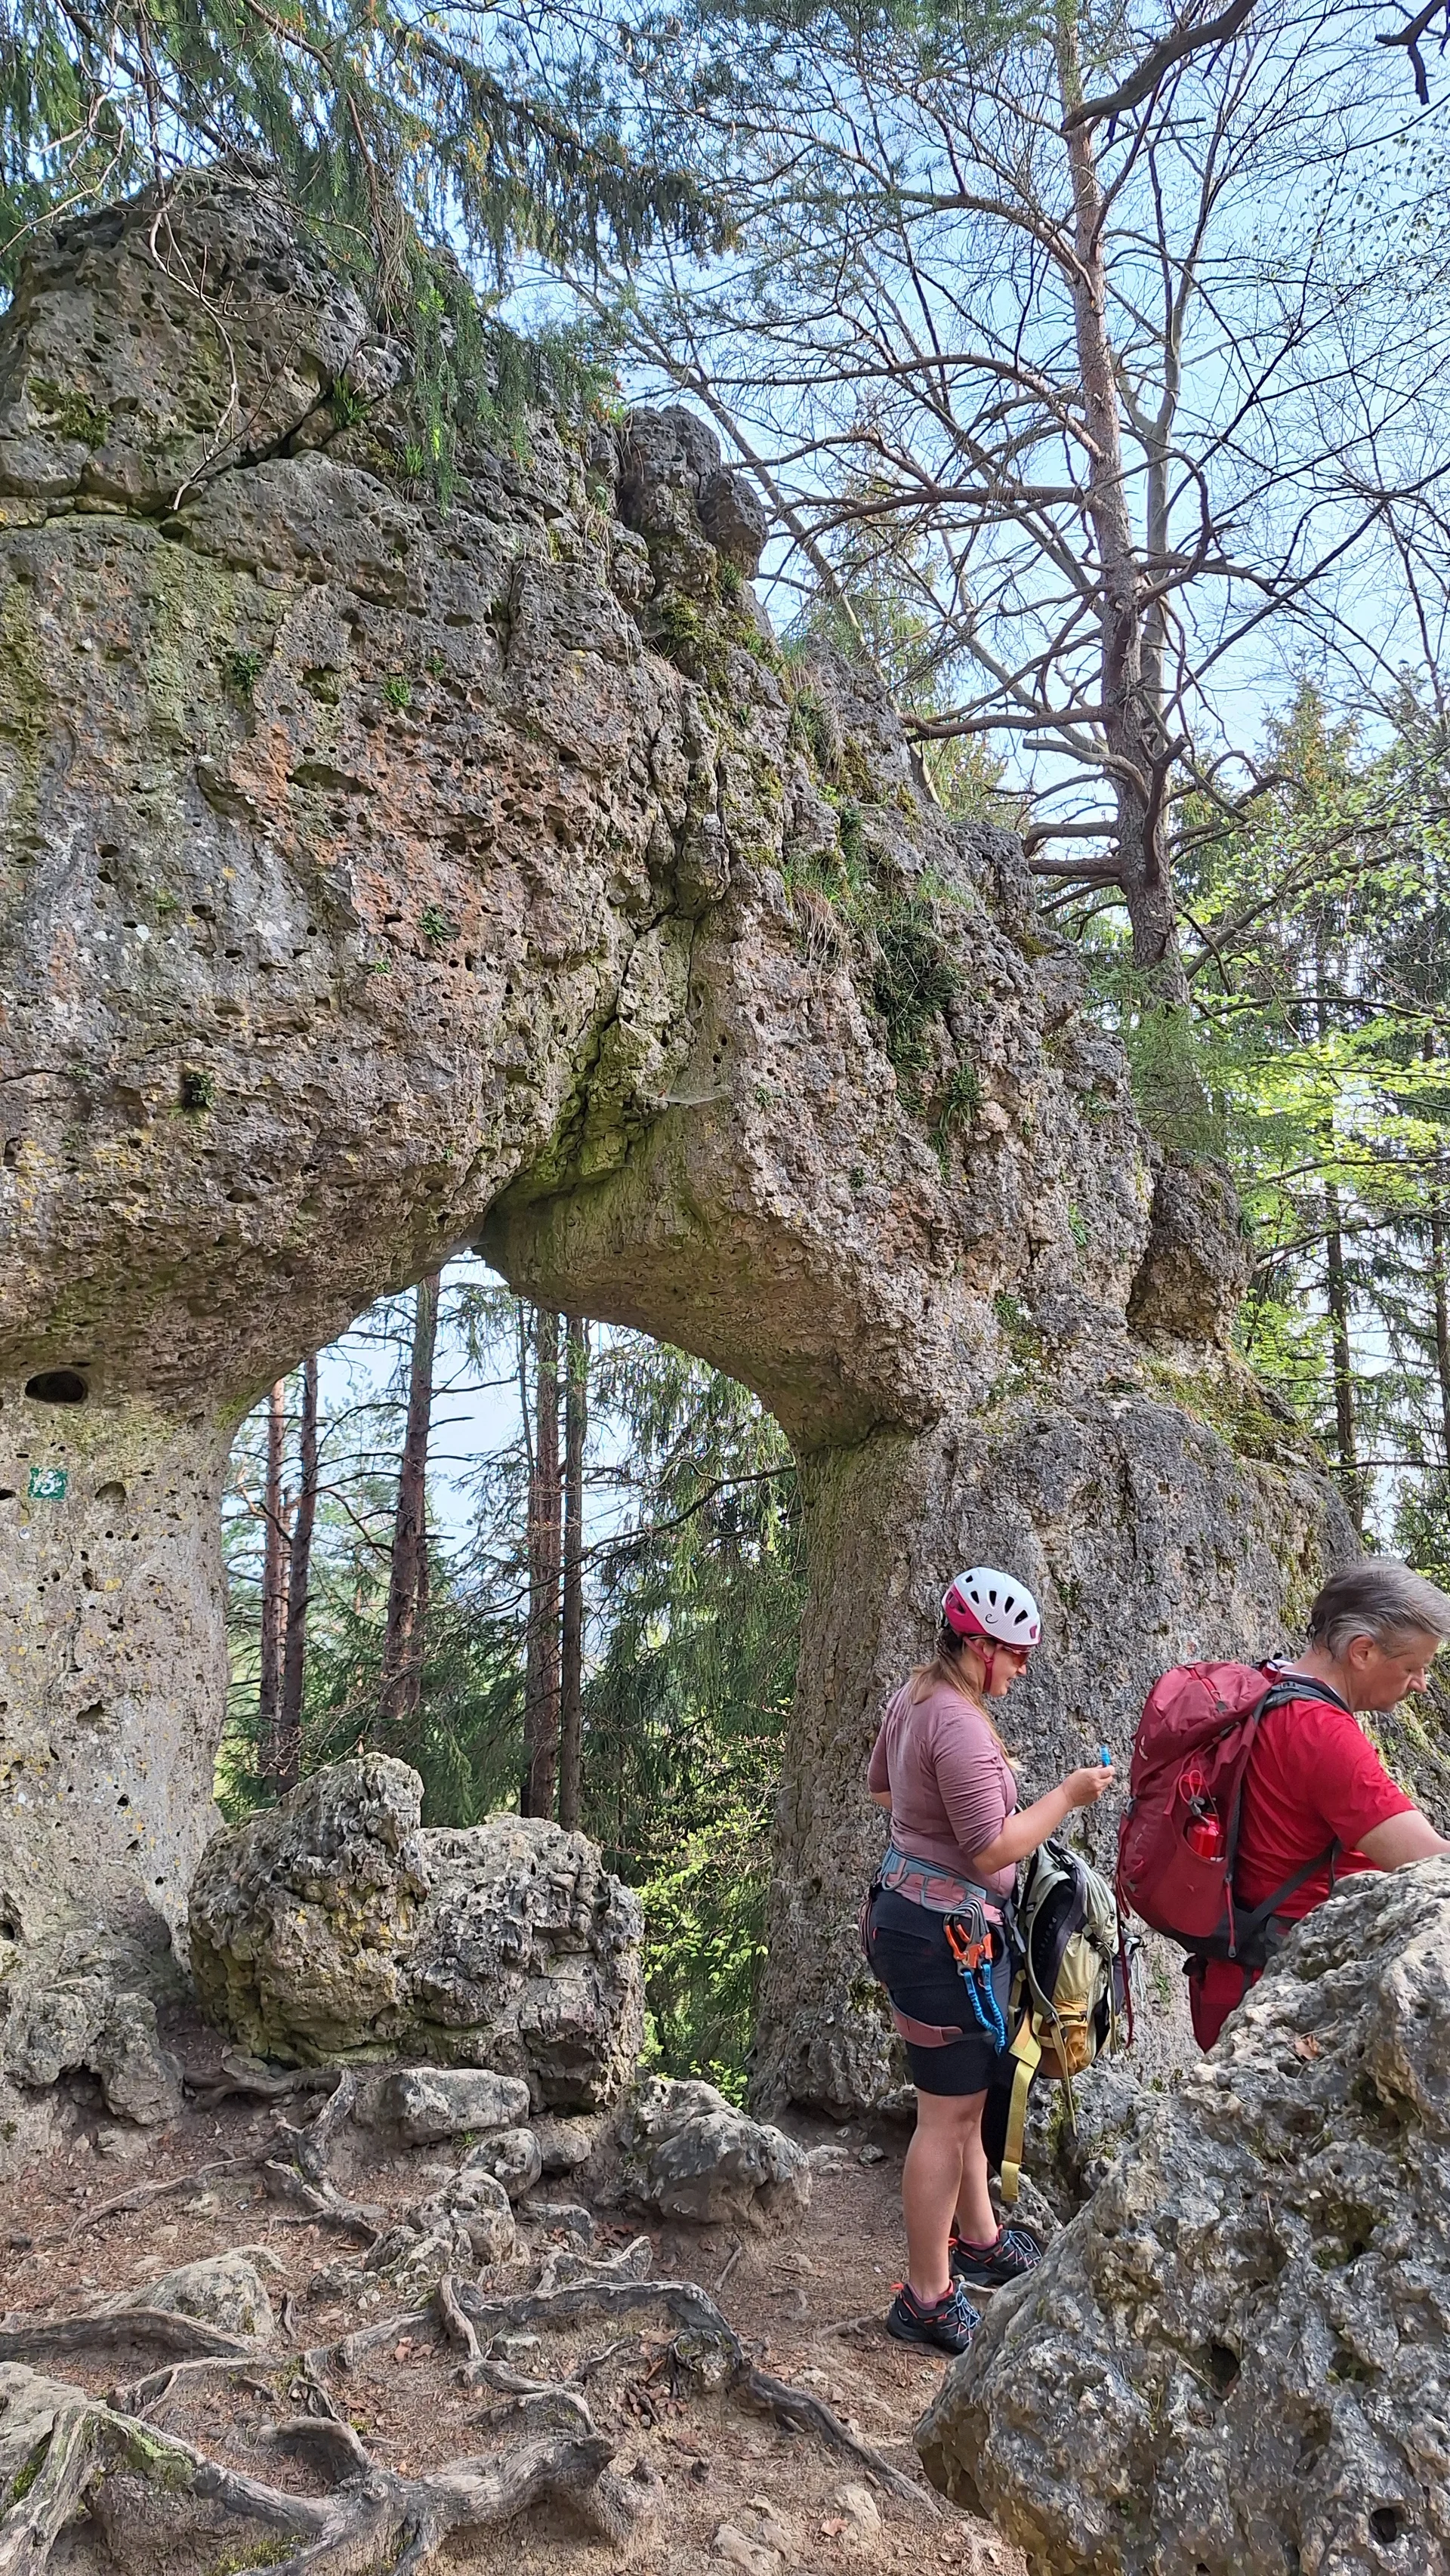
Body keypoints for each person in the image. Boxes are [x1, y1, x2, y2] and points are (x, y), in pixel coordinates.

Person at [863, 1566, 1116, 2355]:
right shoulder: (959, 1723)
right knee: (945, 2119)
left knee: (965, 2102)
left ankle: (977, 2236)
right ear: (977, 1646)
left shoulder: (915, 1698)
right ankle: (927, 2296)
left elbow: (882, 1793)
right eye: (1015, 1653)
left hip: (916, 1918)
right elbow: (995, 1845)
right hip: (948, 1942)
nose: (1023, 1668)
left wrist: (933, 1820)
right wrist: (1069, 1796)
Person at [1189, 1559, 1450, 2051]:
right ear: (1364, 1651)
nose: (1420, 1683)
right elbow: (1431, 1864)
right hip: (1281, 2002)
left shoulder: (1270, 1686)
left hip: (1233, 1973)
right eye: (1414, 1666)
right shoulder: (1323, 1734)